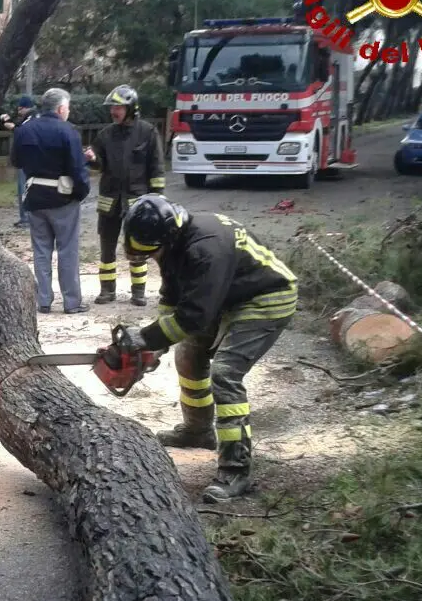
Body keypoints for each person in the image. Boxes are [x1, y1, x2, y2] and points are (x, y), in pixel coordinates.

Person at [116, 194, 298, 502]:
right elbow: (172, 298)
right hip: (227, 296)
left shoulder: (204, 249)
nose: (151, 258)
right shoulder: (173, 242)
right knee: (188, 355)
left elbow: (194, 315)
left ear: (167, 239)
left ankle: (235, 470)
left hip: (266, 297)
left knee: (225, 374)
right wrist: (156, 344)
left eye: (151, 253)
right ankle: (198, 430)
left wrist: (147, 338)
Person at [84, 85, 166, 306]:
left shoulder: (147, 132)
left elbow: (157, 168)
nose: (113, 111)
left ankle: (138, 293)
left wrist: (156, 200)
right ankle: (106, 291)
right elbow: (99, 165)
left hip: (137, 202)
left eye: (118, 107)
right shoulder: (105, 135)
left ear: (131, 108)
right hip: (109, 201)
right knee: (106, 249)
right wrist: (91, 158)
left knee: (138, 248)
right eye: (112, 107)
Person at [12, 88, 90, 314]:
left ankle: (43, 300)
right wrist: (80, 192)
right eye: (68, 107)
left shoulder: (24, 130)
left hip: (35, 197)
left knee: (41, 251)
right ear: (61, 108)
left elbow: (16, 161)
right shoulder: (68, 131)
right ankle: (71, 302)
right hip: (63, 198)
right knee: (67, 250)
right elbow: (78, 169)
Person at [8, 95, 35, 228]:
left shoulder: (31, 120)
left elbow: (24, 133)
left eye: (20, 109)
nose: (18, 112)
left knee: (24, 189)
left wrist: (13, 128)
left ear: (25, 108)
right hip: (26, 160)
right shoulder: (27, 120)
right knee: (23, 189)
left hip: (26, 160)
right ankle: (25, 217)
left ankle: (26, 218)